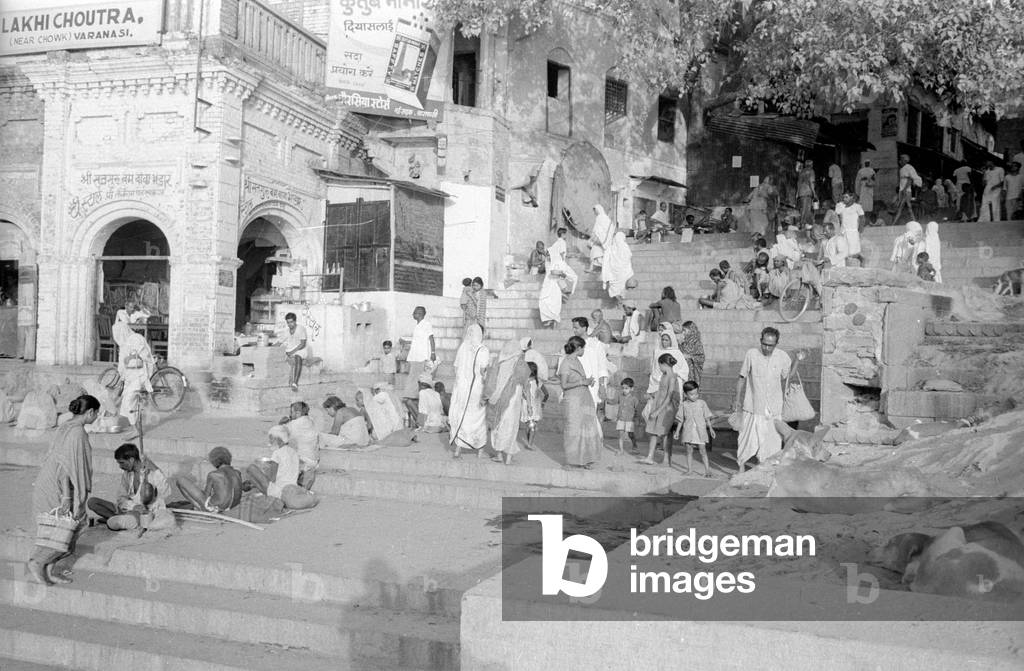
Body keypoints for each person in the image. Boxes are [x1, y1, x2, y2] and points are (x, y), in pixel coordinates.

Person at [28, 394, 100, 585]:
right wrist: (67, 497)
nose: (97, 417)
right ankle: (37, 562)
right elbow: (66, 468)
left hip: (53, 481)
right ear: (90, 412)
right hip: (57, 485)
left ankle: (51, 570)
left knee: (67, 526)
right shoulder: (77, 433)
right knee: (66, 526)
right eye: (97, 414)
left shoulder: (68, 426)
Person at [732, 327, 795, 473]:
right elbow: (742, 377)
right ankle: (741, 469)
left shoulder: (783, 357)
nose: (767, 348)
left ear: (776, 343)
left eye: (770, 345)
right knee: (746, 439)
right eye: (764, 344)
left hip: (773, 407)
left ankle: (766, 469)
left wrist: (797, 361)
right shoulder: (752, 354)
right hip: (753, 405)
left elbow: (787, 378)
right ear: (760, 341)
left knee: (772, 441)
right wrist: (737, 399)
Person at [87, 443, 174, 532]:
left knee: (113, 523)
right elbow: (121, 498)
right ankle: (119, 518)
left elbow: (166, 493)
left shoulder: (150, 472)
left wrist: (155, 469)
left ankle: (118, 519)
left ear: (131, 460)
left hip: (141, 513)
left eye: (122, 463)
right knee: (92, 502)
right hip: (127, 509)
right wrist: (133, 506)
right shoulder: (127, 474)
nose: (120, 467)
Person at [245, 426, 318, 510]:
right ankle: (258, 489)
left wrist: (260, 475)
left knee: (251, 468)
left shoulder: (277, 453)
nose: (270, 442)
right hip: (292, 488)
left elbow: (272, 478)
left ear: (278, 439)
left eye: (271, 439)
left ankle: (264, 494)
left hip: (279, 491)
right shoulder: (293, 451)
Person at [558, 335, 602, 469]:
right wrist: (583, 381)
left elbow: (577, 380)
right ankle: (570, 461)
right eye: (583, 348)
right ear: (578, 348)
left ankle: (585, 460)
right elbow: (564, 385)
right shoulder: (566, 362)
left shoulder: (577, 360)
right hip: (573, 401)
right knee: (573, 430)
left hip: (583, 398)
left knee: (586, 429)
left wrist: (587, 381)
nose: (584, 350)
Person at [484, 340, 530, 465]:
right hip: (514, 400)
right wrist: (529, 404)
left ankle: (499, 455)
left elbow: (490, 382)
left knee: (498, 426)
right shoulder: (522, 365)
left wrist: (487, 396)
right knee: (511, 428)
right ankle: (508, 458)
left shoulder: (498, 362)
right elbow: (526, 384)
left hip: (499, 399)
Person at [449, 324, 489, 459]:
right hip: (477, 389)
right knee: (479, 418)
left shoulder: (463, 347)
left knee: (462, 416)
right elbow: (484, 371)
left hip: (462, 389)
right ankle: (480, 451)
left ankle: (458, 450)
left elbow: (456, 367)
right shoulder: (483, 350)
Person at [112, 308, 155, 426]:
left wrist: (134, 357)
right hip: (130, 377)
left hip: (139, 374)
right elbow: (122, 365)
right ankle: (132, 426)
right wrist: (122, 377)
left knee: (129, 401)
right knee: (127, 403)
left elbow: (146, 356)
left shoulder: (136, 339)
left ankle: (136, 429)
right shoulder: (123, 345)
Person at [640, 353, 681, 466]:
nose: (659, 367)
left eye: (660, 365)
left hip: (667, 408)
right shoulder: (664, 376)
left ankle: (666, 459)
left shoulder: (672, 377)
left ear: (664, 364)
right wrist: (652, 395)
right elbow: (661, 391)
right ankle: (650, 456)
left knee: (664, 433)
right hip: (659, 404)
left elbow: (669, 396)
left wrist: (658, 411)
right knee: (653, 431)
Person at [176, 446, 243, 514]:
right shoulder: (237, 473)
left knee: (180, 480)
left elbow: (206, 496)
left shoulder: (213, 475)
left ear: (214, 461)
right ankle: (201, 508)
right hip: (233, 508)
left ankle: (200, 508)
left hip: (216, 508)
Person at [674, 381, 716, 476]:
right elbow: (681, 420)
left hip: (700, 432)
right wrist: (677, 432)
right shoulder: (683, 405)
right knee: (689, 451)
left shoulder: (702, 403)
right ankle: (689, 470)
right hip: (688, 432)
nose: (695, 396)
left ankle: (707, 470)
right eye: (692, 394)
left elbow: (707, 417)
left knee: (703, 451)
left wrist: (711, 429)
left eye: (696, 393)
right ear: (685, 394)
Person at [401, 306, 435, 421]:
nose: (413, 314)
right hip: (415, 356)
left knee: (417, 378)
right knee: (412, 376)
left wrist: (433, 352)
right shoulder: (417, 326)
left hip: (422, 356)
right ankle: (410, 396)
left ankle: (414, 397)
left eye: (414, 313)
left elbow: (431, 339)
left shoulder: (426, 324)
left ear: (420, 314)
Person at [571, 317, 610, 409]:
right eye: (573, 328)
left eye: (576, 328)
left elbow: (602, 367)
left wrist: (601, 386)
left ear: (584, 328)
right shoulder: (572, 344)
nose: (574, 330)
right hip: (575, 384)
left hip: (592, 385)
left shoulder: (596, 345)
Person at [281, 401, 319, 489]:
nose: (290, 414)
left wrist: (281, 423)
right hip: (314, 460)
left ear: (298, 413)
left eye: (291, 412)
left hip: (304, 460)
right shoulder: (310, 420)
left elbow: (279, 433)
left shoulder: (295, 424)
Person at [601, 231, 633, 300]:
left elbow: (606, 261)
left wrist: (605, 277)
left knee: (615, 287)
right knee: (622, 286)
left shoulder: (610, 248)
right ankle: (621, 300)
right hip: (623, 271)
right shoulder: (624, 246)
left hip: (613, 272)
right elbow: (629, 255)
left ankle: (618, 300)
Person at [835, 192, 864, 265]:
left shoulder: (857, 206)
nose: (844, 199)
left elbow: (862, 218)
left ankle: (861, 261)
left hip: (853, 232)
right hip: (843, 231)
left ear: (851, 198)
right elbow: (837, 216)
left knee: (853, 252)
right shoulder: (840, 206)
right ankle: (846, 266)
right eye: (843, 197)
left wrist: (860, 230)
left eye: (846, 197)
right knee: (844, 251)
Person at [280, 312, 308, 392]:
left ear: (295, 321)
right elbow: (279, 342)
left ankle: (295, 383)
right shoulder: (286, 331)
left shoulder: (301, 329)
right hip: (290, 350)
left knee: (297, 357)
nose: (290, 324)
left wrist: (292, 352)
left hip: (300, 350)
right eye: (288, 322)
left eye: (291, 322)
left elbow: (302, 344)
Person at [547, 228, 577, 294]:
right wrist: (563, 261)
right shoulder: (563, 242)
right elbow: (562, 253)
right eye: (565, 234)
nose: (566, 236)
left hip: (555, 263)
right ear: (563, 234)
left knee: (560, 277)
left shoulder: (556, 243)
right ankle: (570, 291)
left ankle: (564, 289)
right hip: (560, 262)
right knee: (572, 277)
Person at [521, 362, 543, 451]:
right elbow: (528, 395)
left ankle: (529, 442)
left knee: (529, 425)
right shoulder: (531, 382)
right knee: (533, 426)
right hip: (530, 405)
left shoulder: (527, 381)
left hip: (528, 405)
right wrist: (530, 407)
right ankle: (529, 444)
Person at [895, 154, 922, 224]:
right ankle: (914, 221)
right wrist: (901, 190)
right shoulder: (901, 169)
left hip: (906, 191)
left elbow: (910, 180)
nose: (900, 161)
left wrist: (904, 189)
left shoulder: (909, 167)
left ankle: (894, 222)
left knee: (904, 206)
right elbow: (901, 181)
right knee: (904, 207)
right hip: (902, 190)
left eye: (901, 159)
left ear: (905, 160)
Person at [588, 204, 615, 273]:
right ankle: (593, 268)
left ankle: (594, 268)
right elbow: (611, 227)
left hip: (600, 238)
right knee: (596, 252)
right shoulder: (606, 217)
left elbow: (597, 229)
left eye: (595, 210)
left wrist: (597, 235)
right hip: (602, 239)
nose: (595, 212)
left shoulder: (600, 217)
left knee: (595, 252)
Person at [616, 377, 640, 455]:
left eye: (626, 388)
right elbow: (614, 401)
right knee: (621, 435)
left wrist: (636, 419)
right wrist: (607, 400)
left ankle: (635, 446)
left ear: (631, 389)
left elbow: (637, 410)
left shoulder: (634, 399)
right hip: (621, 419)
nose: (624, 390)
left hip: (630, 420)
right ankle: (621, 450)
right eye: (623, 388)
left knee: (631, 434)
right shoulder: (620, 396)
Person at [796, 161, 816, 228]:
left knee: (803, 209)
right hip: (807, 192)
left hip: (801, 192)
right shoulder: (811, 171)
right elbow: (811, 182)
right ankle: (803, 225)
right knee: (806, 209)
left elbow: (798, 182)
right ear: (811, 165)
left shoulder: (802, 171)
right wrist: (814, 193)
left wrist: (797, 193)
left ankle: (804, 224)